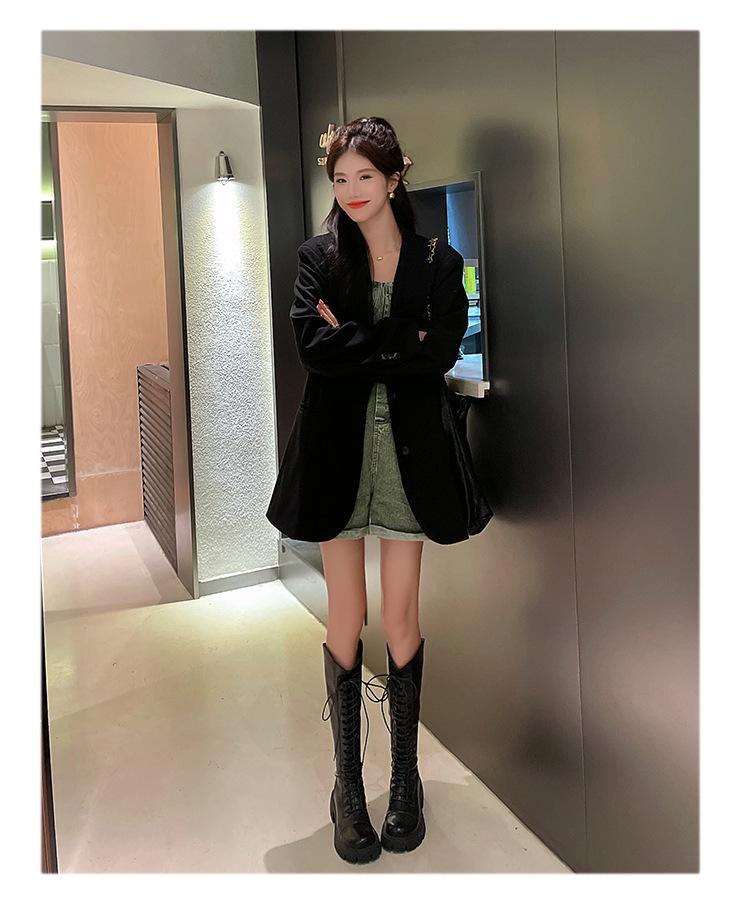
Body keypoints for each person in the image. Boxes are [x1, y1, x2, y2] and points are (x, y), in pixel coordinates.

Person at [266, 116, 471, 864]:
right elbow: (313, 348)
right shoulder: (318, 259)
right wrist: (396, 340)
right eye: (340, 179)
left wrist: (361, 342)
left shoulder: (437, 260)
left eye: (364, 177)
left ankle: (405, 780)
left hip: (409, 454)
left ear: (393, 178)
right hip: (336, 454)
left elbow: (440, 350)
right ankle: (348, 789)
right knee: (346, 614)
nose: (351, 191)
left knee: (402, 613)